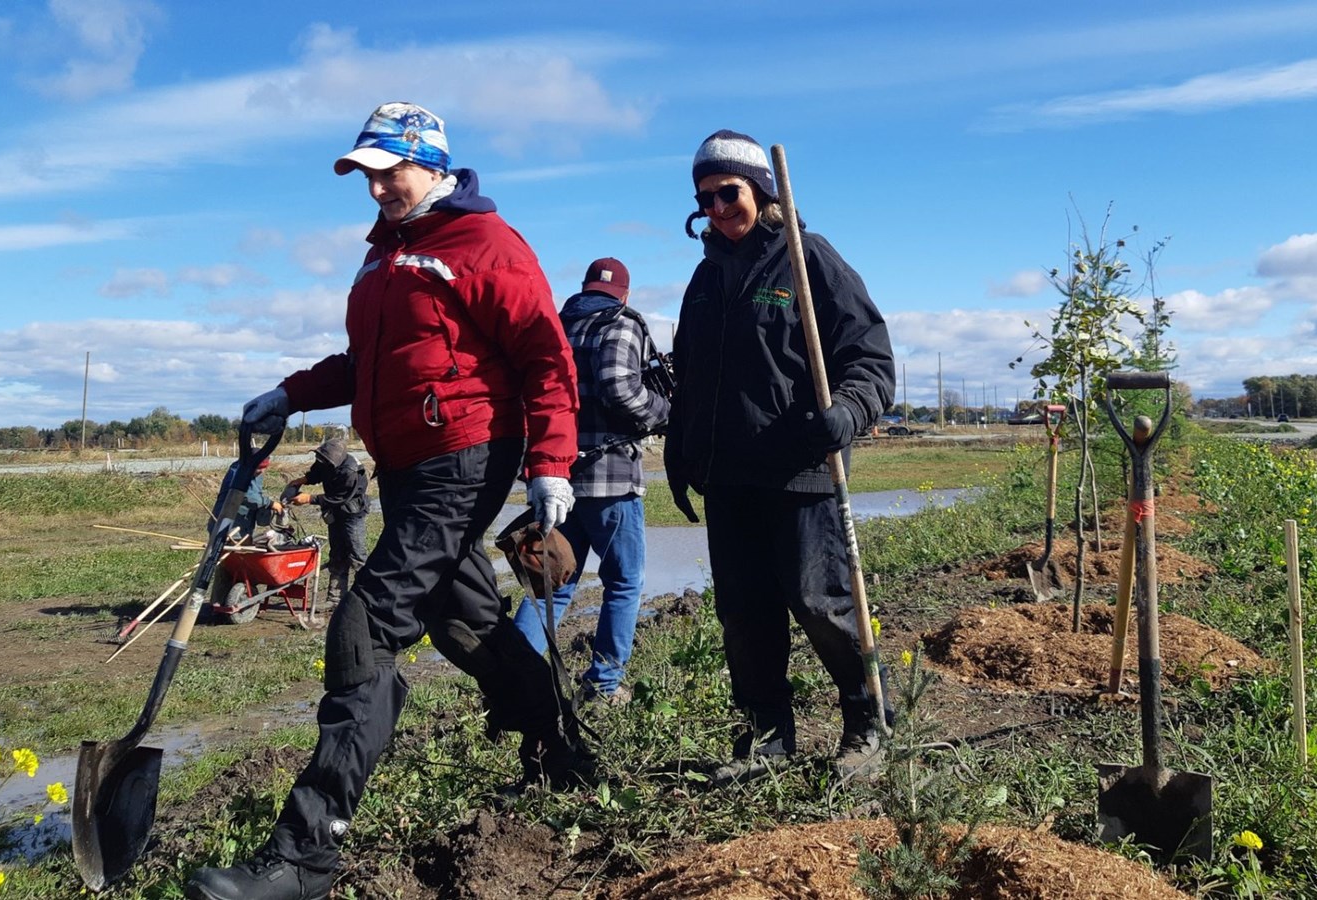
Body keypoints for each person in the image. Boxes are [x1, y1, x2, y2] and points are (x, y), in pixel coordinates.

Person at [188, 102, 587, 900]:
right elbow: (367, 362)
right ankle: (565, 755)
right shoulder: (383, 261)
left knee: (367, 624)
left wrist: (551, 465)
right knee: (465, 618)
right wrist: (290, 394)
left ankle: (305, 856)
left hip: (465, 457)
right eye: (365, 176)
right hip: (406, 466)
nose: (375, 189)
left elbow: (546, 356)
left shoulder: (484, 245)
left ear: (431, 164)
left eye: (387, 171)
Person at [666, 130, 896, 784]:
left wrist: (848, 412)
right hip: (731, 478)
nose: (715, 208)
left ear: (761, 190)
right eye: (703, 198)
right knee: (744, 614)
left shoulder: (809, 260)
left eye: (726, 192)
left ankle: (868, 721)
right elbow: (691, 378)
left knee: (819, 601)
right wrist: (682, 453)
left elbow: (871, 361)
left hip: (802, 472)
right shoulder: (707, 278)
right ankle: (767, 738)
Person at [513, 258, 670, 706]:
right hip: (612, 479)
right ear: (624, 293)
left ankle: (516, 680)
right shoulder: (621, 322)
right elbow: (621, 387)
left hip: (556, 477)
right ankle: (602, 684)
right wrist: (664, 412)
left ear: (582, 288)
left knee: (551, 583)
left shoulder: (556, 326)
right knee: (623, 582)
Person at [282, 436, 369, 606]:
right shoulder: (326, 460)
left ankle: (365, 597)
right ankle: (336, 598)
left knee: (357, 555)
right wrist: (304, 479)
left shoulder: (349, 472)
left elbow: (339, 498)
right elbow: (317, 472)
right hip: (335, 513)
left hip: (352, 512)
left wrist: (310, 498)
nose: (321, 462)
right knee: (337, 553)